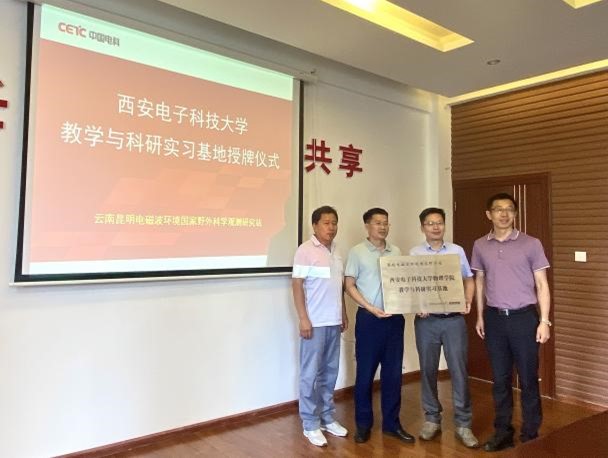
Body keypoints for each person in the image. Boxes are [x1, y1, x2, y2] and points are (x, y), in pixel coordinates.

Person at [472, 193, 551, 452]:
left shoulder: (531, 244)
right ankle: (503, 432)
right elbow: (480, 282)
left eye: (509, 209)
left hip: (524, 318)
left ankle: (530, 435)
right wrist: (480, 315)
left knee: (528, 379)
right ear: (489, 214)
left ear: (515, 214)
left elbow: (542, 285)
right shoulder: (480, 245)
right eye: (498, 209)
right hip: (495, 319)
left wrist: (544, 321)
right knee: (500, 380)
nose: (504, 214)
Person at [409, 207, 479, 448]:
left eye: (439, 222)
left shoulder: (456, 251)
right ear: (423, 227)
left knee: (459, 371)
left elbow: (469, 278)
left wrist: (468, 300)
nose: (435, 227)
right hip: (426, 322)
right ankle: (432, 419)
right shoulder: (415, 253)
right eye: (430, 223)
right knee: (428, 370)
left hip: (453, 321)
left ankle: (463, 423)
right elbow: (412, 286)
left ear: (444, 225)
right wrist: (417, 305)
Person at [344, 208, 415, 445]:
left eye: (386, 223)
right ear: (367, 225)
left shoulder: (396, 251)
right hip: (369, 320)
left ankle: (392, 424)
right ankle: (363, 425)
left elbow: (403, 283)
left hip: (394, 320)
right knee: (365, 374)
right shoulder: (357, 252)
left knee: (393, 375)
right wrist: (370, 307)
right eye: (377, 223)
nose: (383, 227)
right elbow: (349, 285)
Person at [292, 205, 349, 447]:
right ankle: (310, 423)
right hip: (314, 324)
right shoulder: (305, 250)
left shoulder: (337, 251)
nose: (331, 227)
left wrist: (343, 313)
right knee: (310, 375)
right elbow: (297, 285)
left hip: (334, 322)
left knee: (329, 372)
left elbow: (338, 287)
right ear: (315, 225)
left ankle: (327, 417)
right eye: (326, 223)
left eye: (334, 223)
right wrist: (303, 318)